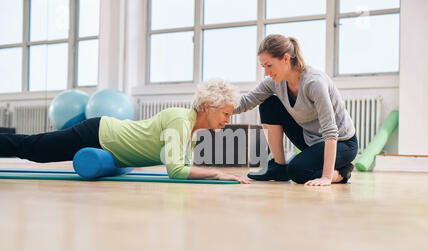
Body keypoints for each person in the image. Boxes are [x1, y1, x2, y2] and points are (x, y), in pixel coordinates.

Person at [0, 79, 250, 184]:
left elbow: (182, 167)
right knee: (34, 149)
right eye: (226, 113)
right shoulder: (179, 120)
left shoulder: (192, 133)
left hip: (106, 143)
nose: (227, 120)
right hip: (98, 134)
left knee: (35, 149)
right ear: (208, 106)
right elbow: (176, 171)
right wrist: (217, 173)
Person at [234, 34, 358, 186]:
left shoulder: (314, 82)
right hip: (311, 139)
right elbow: (246, 102)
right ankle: (279, 166)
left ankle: (342, 173)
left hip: (341, 142)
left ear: (286, 59)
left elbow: (331, 131)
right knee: (269, 103)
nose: (267, 72)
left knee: (297, 171)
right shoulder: (274, 83)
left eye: (269, 65)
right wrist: (216, 108)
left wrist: (326, 177)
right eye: (263, 67)